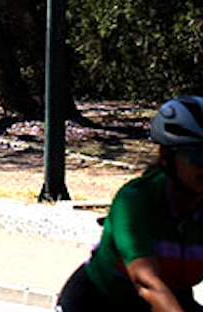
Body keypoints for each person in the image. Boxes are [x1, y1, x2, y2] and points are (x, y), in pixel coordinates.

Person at [55, 96, 203, 312]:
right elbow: (147, 283)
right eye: (196, 155)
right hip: (97, 302)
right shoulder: (134, 201)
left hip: (168, 299)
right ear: (166, 155)